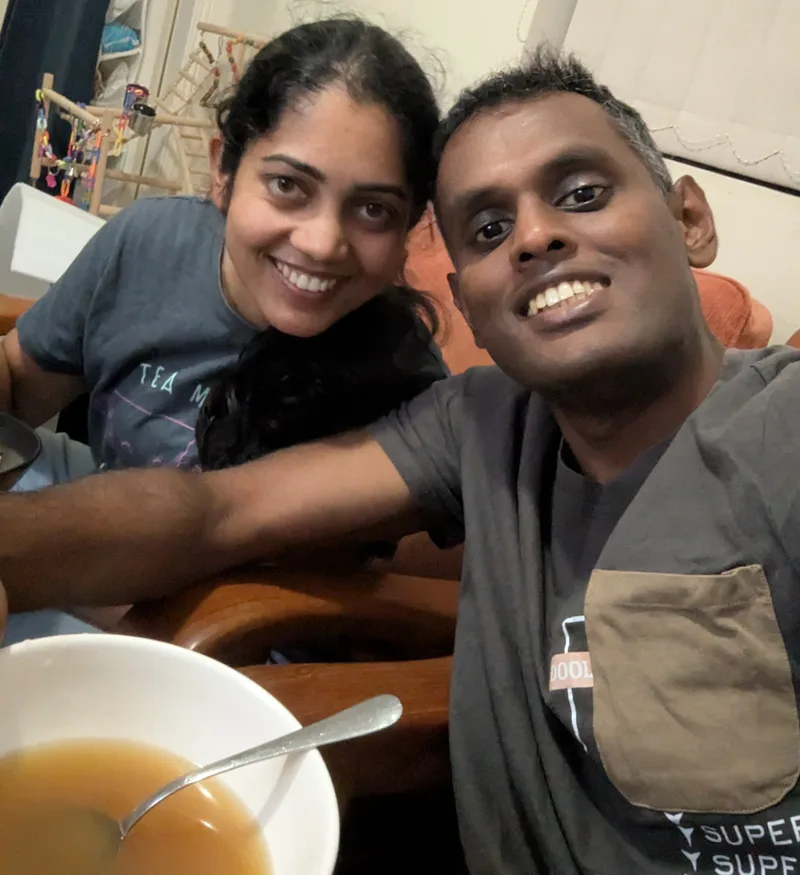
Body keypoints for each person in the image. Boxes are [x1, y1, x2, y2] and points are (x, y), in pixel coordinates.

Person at [2, 47, 800, 874]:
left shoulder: (777, 431)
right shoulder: (479, 425)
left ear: (690, 220)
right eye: (490, 229)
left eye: (581, 193)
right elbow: (217, 512)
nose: (535, 235)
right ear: (470, 304)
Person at [0, 17, 444, 490]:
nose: (322, 243)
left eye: (374, 210)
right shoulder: (145, 245)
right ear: (223, 173)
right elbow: (19, 383)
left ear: (408, 227)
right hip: (104, 494)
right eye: (287, 185)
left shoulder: (404, 373)